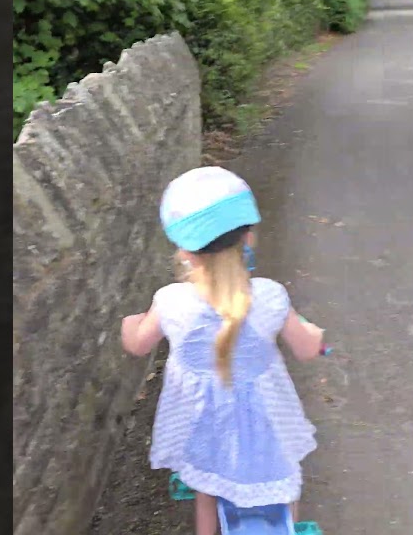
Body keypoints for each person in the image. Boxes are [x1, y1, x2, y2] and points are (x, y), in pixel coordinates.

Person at [121, 166, 326, 535]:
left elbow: (136, 345)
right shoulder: (270, 296)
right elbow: (307, 348)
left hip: (202, 426)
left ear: (183, 250)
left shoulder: (170, 302)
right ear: (248, 237)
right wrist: (316, 335)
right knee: (283, 482)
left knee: (209, 486)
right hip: (266, 422)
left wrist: (128, 323)